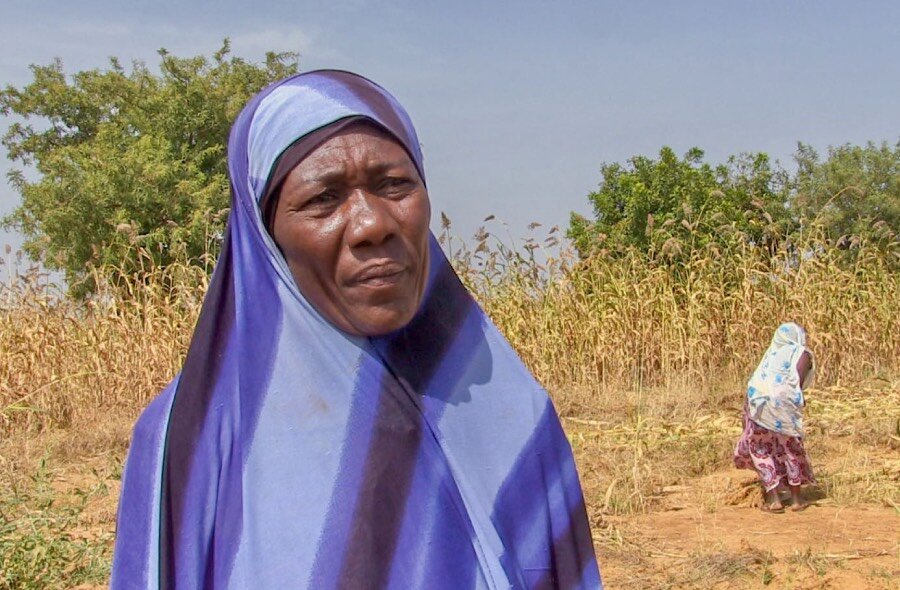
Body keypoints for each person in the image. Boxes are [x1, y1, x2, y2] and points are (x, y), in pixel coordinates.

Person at [110, 70, 602, 589]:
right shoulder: (199, 440)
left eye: (394, 185)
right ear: (265, 234)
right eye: (324, 198)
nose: (373, 224)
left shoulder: (507, 407)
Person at [734, 322, 816, 513]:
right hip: (783, 405)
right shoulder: (801, 353)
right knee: (790, 448)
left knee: (762, 449)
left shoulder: (770, 354)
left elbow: (758, 382)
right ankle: (796, 499)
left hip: (759, 404)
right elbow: (796, 382)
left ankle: (774, 499)